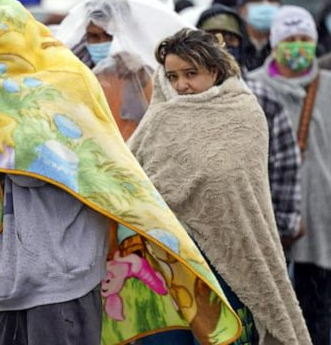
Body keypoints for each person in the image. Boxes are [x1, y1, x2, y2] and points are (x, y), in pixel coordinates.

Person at [0, 0, 244, 345]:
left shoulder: (63, 83)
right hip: (4, 282)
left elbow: (61, 168)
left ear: (14, 44)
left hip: (60, 279)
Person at [128, 28, 311, 344]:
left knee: (226, 336)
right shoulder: (160, 118)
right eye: (172, 77)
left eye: (190, 74)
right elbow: (133, 176)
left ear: (213, 71)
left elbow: (235, 182)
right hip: (169, 260)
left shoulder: (243, 112)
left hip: (228, 258)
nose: (181, 85)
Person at [249, 5, 331, 345]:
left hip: (323, 224)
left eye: (304, 39)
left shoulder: (328, 87)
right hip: (274, 224)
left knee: (320, 318)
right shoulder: (253, 90)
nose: (297, 46)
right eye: (290, 39)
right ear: (275, 43)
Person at [197, 5, 303, 250]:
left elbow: (285, 166)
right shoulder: (182, 99)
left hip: (259, 235)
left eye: (230, 37)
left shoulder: (263, 98)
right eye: (211, 38)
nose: (221, 44)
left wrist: (278, 231)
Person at [55, 0, 190, 141]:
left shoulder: (145, 70)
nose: (101, 42)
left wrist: (141, 77)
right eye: (93, 36)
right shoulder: (71, 66)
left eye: (108, 35)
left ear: (124, 33)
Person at [237, 0, 281, 72]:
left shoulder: (287, 44)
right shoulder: (233, 45)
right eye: (256, 0)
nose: (265, 4)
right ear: (242, 9)